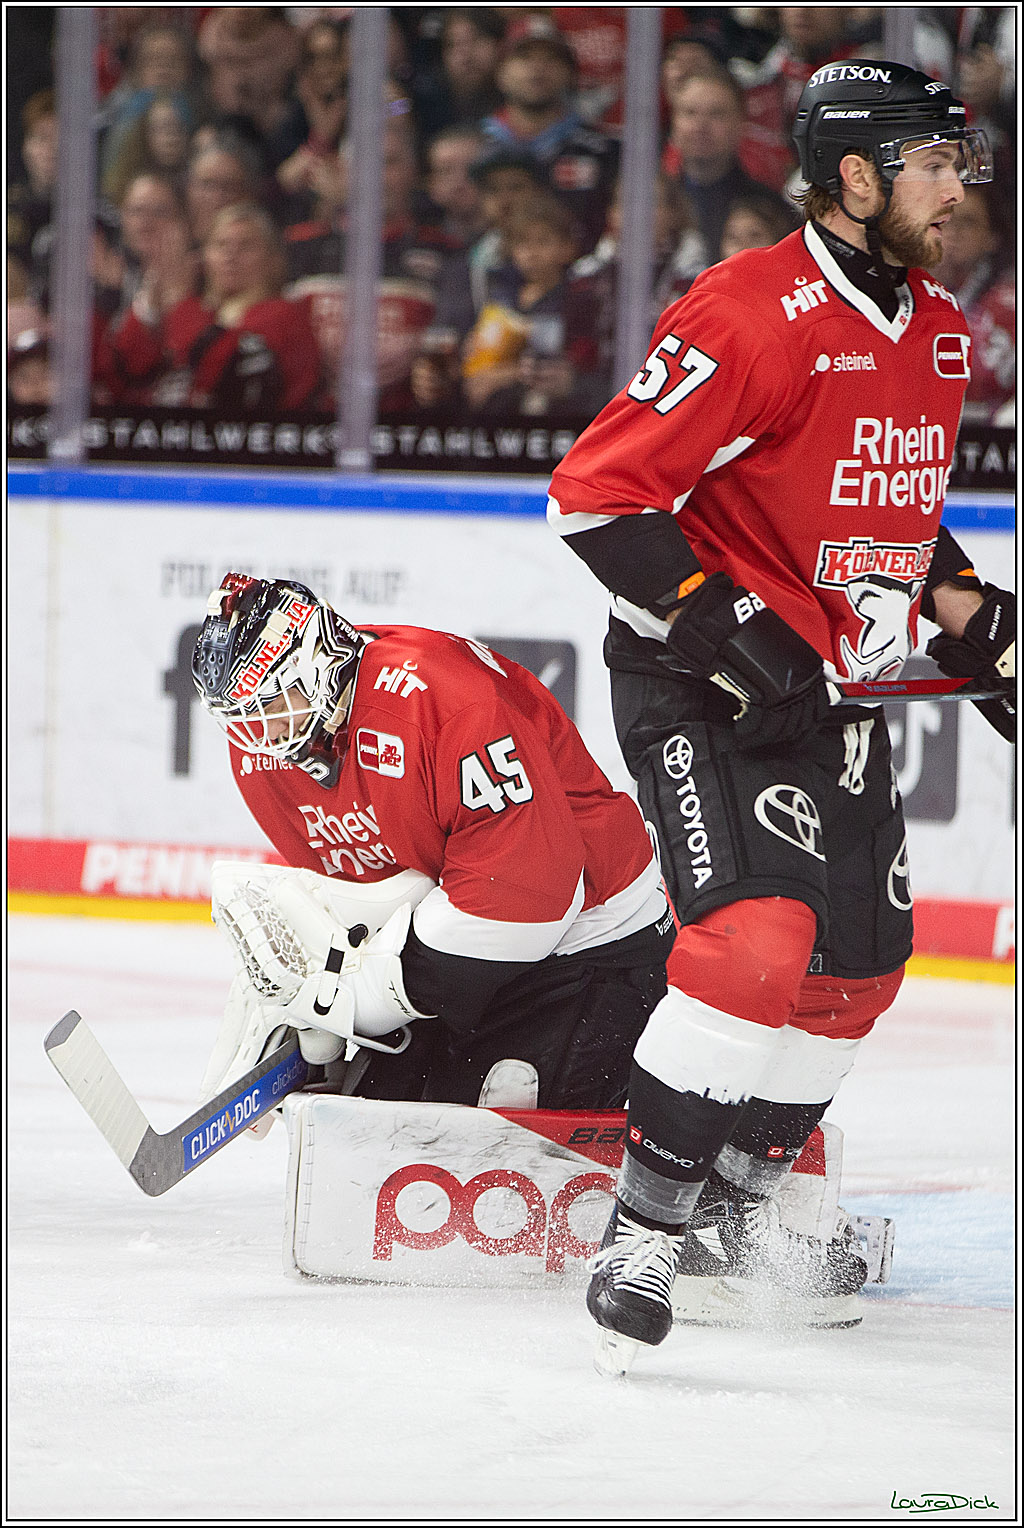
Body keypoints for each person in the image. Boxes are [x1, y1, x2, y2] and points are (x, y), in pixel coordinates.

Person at [546, 59, 1016, 1372]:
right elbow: (596, 497)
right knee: (757, 943)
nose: (957, 185)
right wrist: (734, 627)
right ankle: (643, 1230)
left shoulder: (934, 331)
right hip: (699, 682)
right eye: (931, 161)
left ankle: (735, 1220)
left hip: (835, 688)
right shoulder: (747, 311)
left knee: (857, 972)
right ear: (858, 176)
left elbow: (896, 527)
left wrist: (978, 623)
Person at [190, 572, 673, 1113]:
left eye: (275, 701)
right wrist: (310, 991)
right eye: (242, 714)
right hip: (470, 937)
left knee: (494, 1109)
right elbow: (368, 892)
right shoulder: (264, 749)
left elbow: (531, 889)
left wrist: (362, 1000)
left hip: (594, 934)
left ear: (317, 661)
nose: (263, 733)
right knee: (378, 1113)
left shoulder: (444, 699)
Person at [102, 201, 321, 411]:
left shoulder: (285, 315)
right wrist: (151, 305)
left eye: (246, 245)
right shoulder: (199, 312)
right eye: (221, 244)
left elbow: (219, 373)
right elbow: (121, 372)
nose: (230, 255)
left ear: (274, 260)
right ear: (204, 257)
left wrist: (179, 299)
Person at [661, 69, 797, 264]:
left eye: (716, 114)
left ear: (740, 122)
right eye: (690, 113)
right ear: (673, 122)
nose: (701, 126)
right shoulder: (647, 203)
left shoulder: (770, 209)